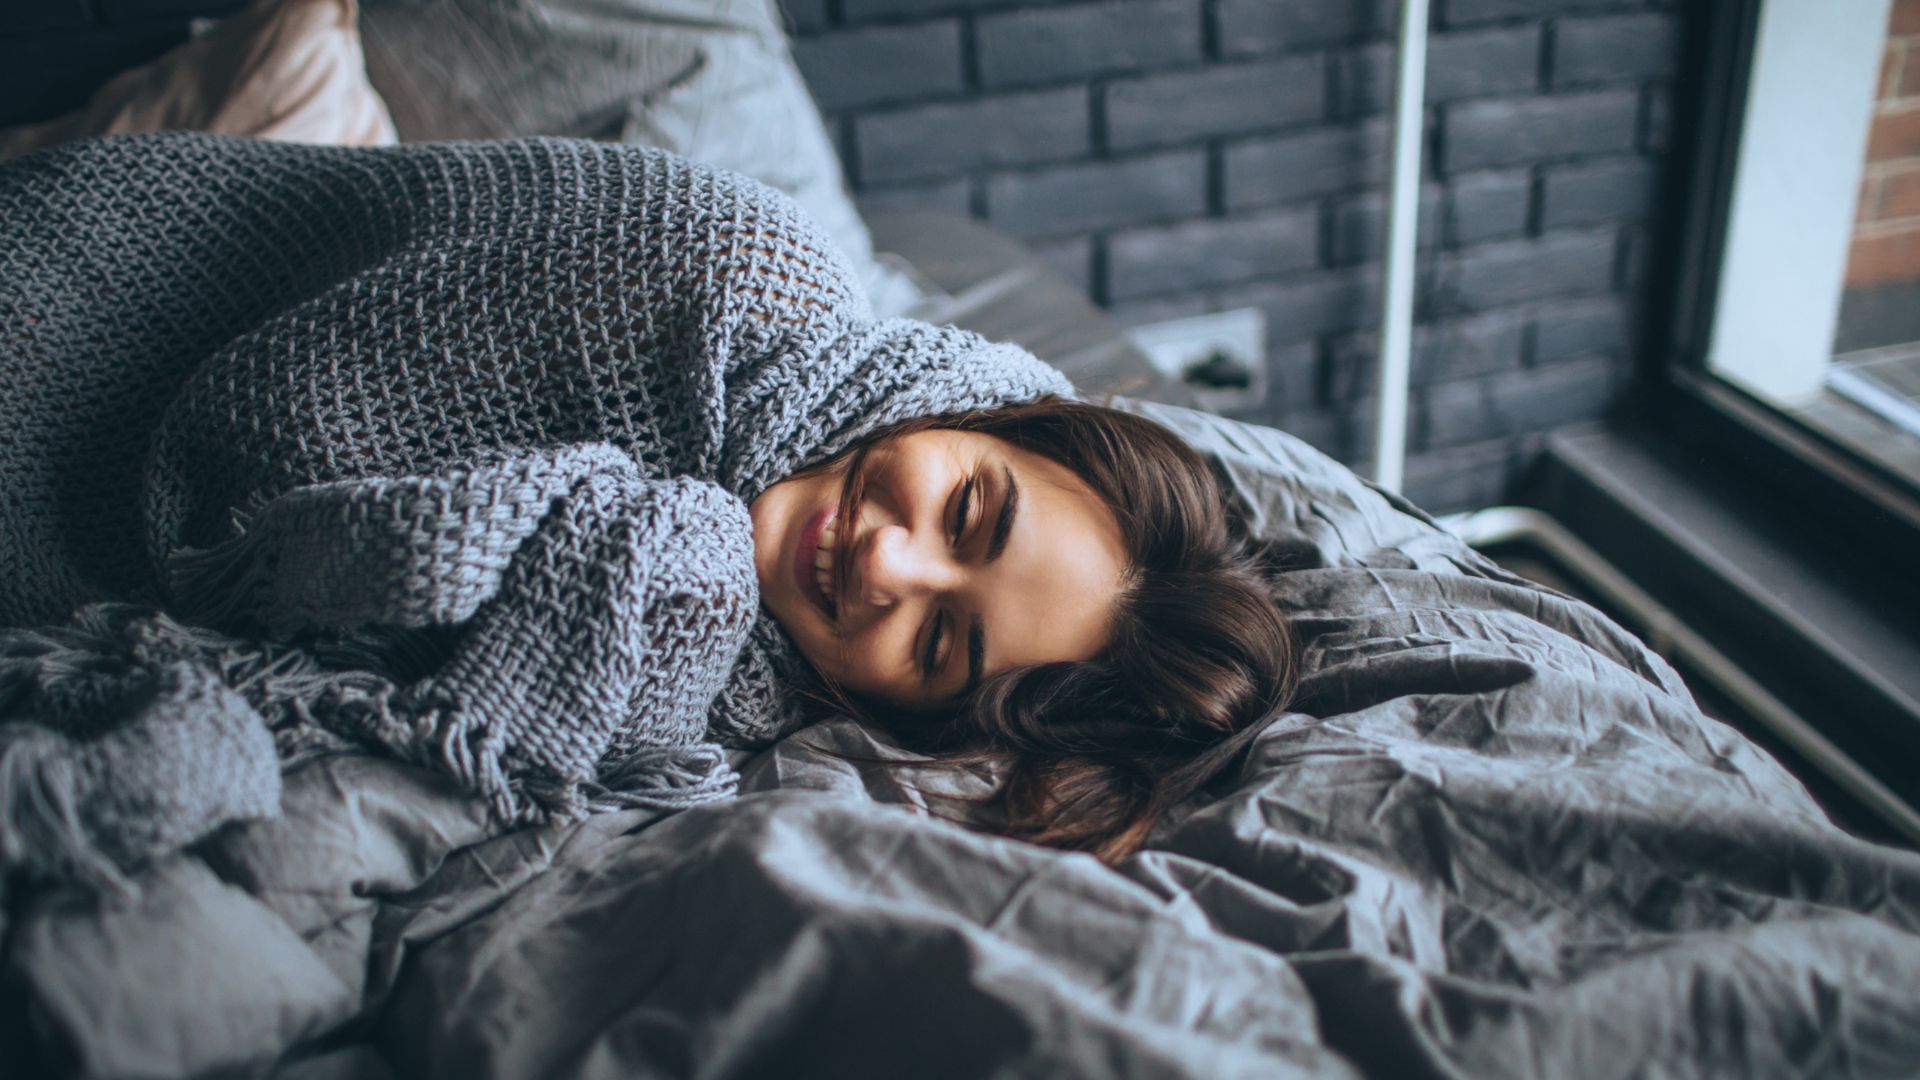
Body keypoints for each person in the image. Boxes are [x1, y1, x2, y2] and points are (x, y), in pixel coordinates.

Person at [0, 132, 1290, 888]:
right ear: (977, 421)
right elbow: (244, 445)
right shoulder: (715, 268)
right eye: (966, 511)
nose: (887, 566)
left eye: (939, 643)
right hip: (75, 327)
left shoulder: (727, 677)